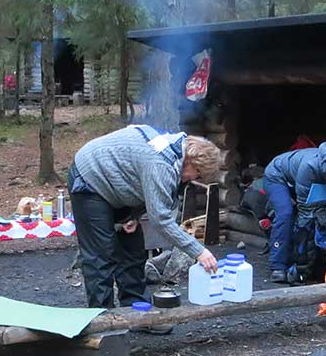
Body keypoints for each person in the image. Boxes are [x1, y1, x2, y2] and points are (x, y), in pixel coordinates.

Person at [69, 125, 222, 309]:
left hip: (117, 181)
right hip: (89, 178)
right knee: (101, 255)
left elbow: (141, 180)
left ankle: (136, 312)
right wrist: (199, 251)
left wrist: (132, 215)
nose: (191, 179)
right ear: (192, 161)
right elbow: (161, 220)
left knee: (132, 249)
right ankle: (103, 323)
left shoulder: (174, 151)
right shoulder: (162, 163)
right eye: (197, 174)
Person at [262, 142, 326, 283]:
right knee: (286, 213)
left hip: (300, 182)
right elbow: (305, 209)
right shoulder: (310, 166)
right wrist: (303, 245)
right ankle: (277, 265)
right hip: (277, 175)